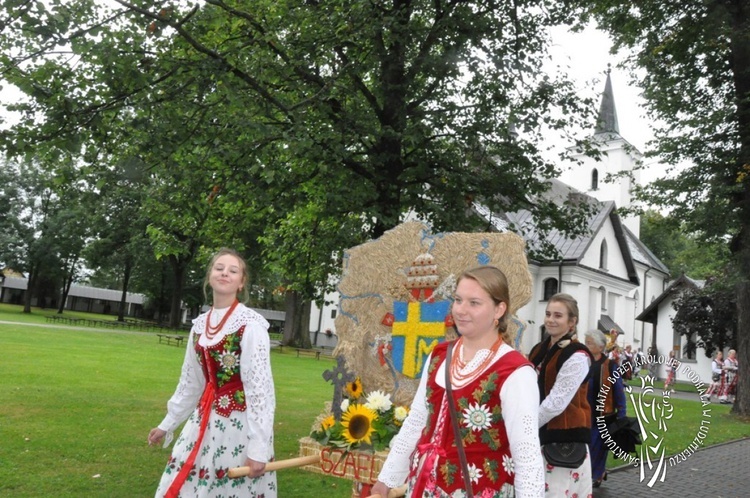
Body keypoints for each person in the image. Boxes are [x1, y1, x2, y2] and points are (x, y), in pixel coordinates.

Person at [371, 266, 545, 498]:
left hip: (481, 490)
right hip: (425, 486)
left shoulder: (515, 372)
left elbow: (527, 455)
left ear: (499, 309)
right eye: (458, 300)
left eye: (474, 303)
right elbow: (417, 421)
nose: (461, 310)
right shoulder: (439, 355)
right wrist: (386, 480)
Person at [147, 248, 276, 497]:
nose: (225, 273)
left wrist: (258, 449)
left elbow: (260, 390)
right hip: (202, 423)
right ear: (209, 277)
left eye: (233, 270)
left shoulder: (251, 325)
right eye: (219, 268)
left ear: (241, 282)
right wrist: (167, 424)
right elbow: (191, 383)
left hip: (238, 427)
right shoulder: (198, 327)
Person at [528, 293, 593, 498]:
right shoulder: (540, 349)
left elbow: (557, 402)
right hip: (537, 436)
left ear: (571, 322)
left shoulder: (577, 356)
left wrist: (525, 425)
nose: (550, 319)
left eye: (558, 315)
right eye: (548, 314)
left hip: (563, 439)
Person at [585, 329, 626, 488]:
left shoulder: (610, 365)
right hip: (585, 411)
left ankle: (597, 475)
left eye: (590, 343)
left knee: (599, 446)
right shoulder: (584, 361)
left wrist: (621, 412)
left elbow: (618, 389)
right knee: (587, 445)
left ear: (600, 346)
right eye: (586, 342)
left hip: (604, 413)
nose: (587, 345)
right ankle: (594, 473)